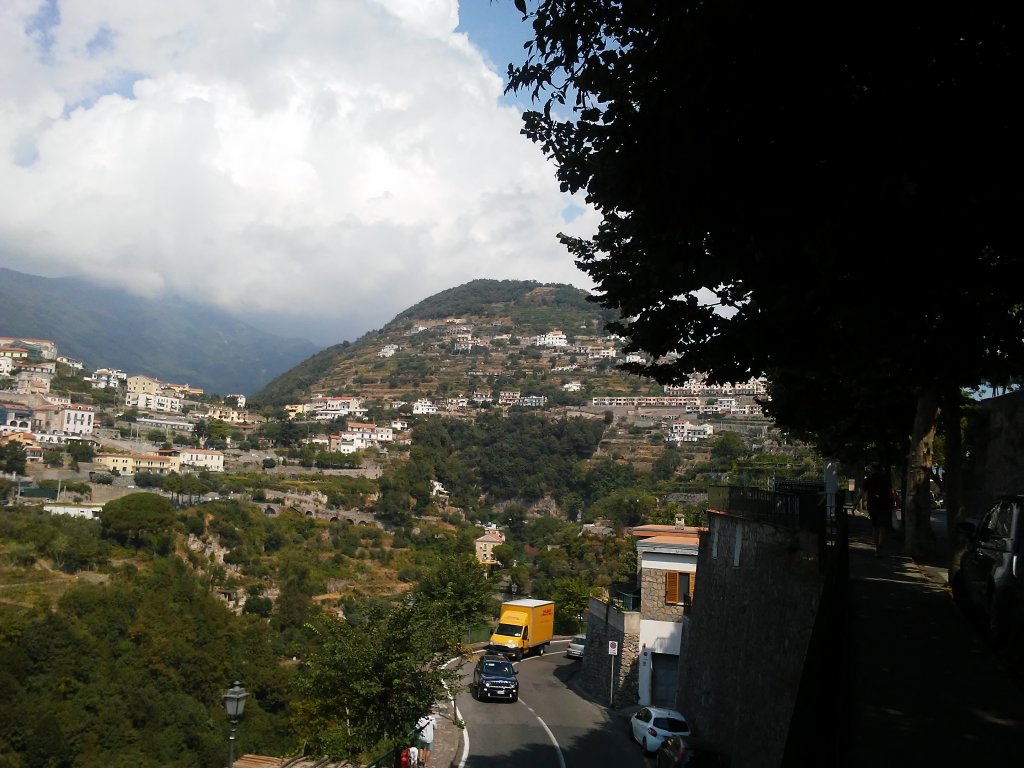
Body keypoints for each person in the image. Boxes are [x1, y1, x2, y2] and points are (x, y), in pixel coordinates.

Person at [857, 463, 895, 556]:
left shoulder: (868, 480)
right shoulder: (885, 479)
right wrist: (895, 502)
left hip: (872, 505)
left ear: (872, 469)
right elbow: (891, 491)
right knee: (882, 527)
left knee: (875, 527)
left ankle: (877, 547)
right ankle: (881, 545)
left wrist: (855, 504)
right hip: (885, 505)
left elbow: (862, 493)